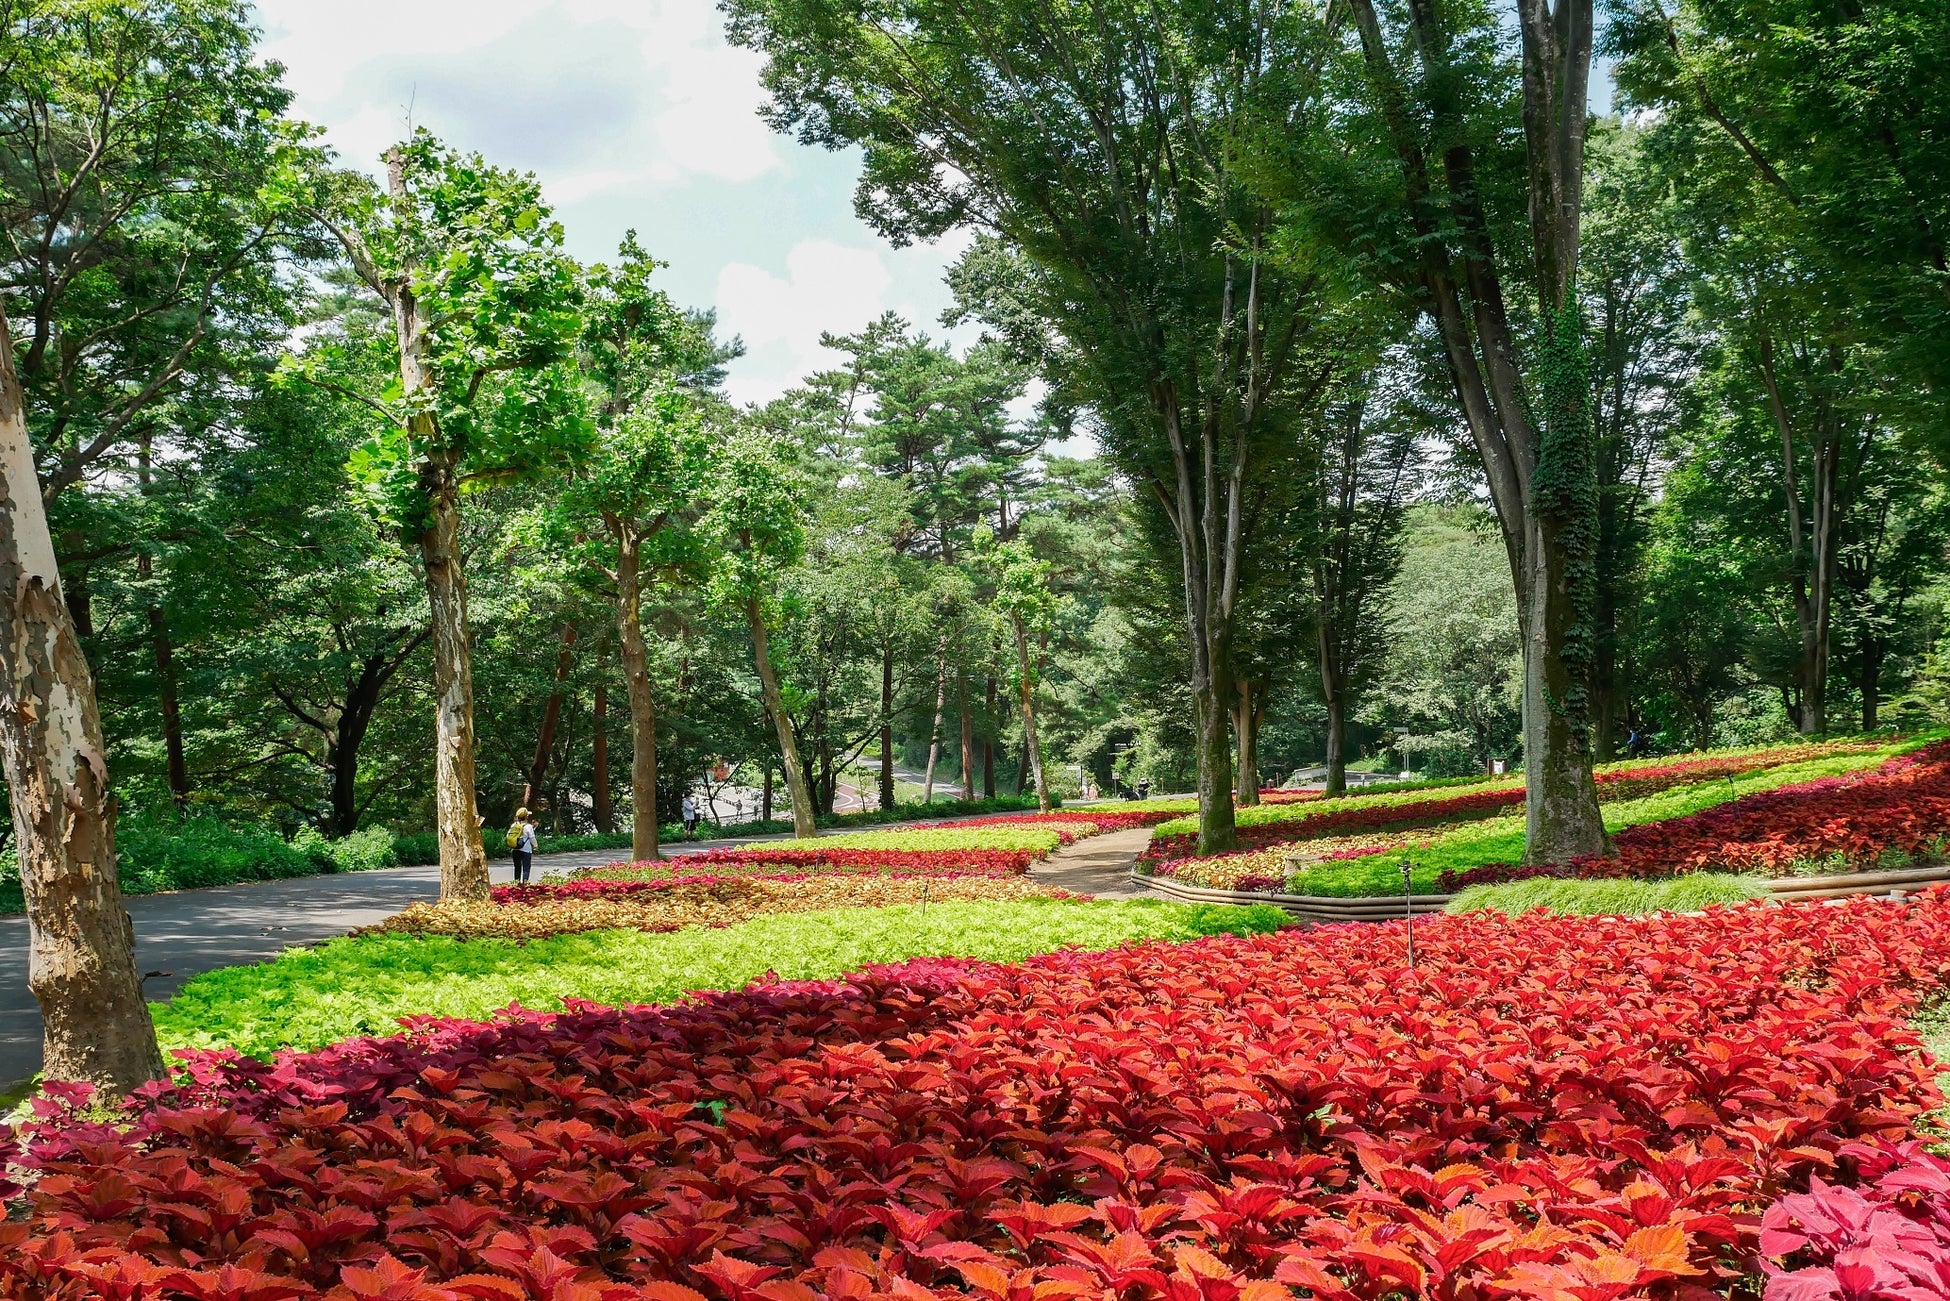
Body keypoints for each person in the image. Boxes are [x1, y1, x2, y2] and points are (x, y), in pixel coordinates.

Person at [510, 808, 538, 884]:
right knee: (526, 868)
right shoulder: (528, 826)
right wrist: (535, 845)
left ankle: (516, 884)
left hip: (515, 849)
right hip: (526, 850)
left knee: (517, 868)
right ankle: (524, 885)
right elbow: (532, 837)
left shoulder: (513, 825)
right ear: (526, 817)